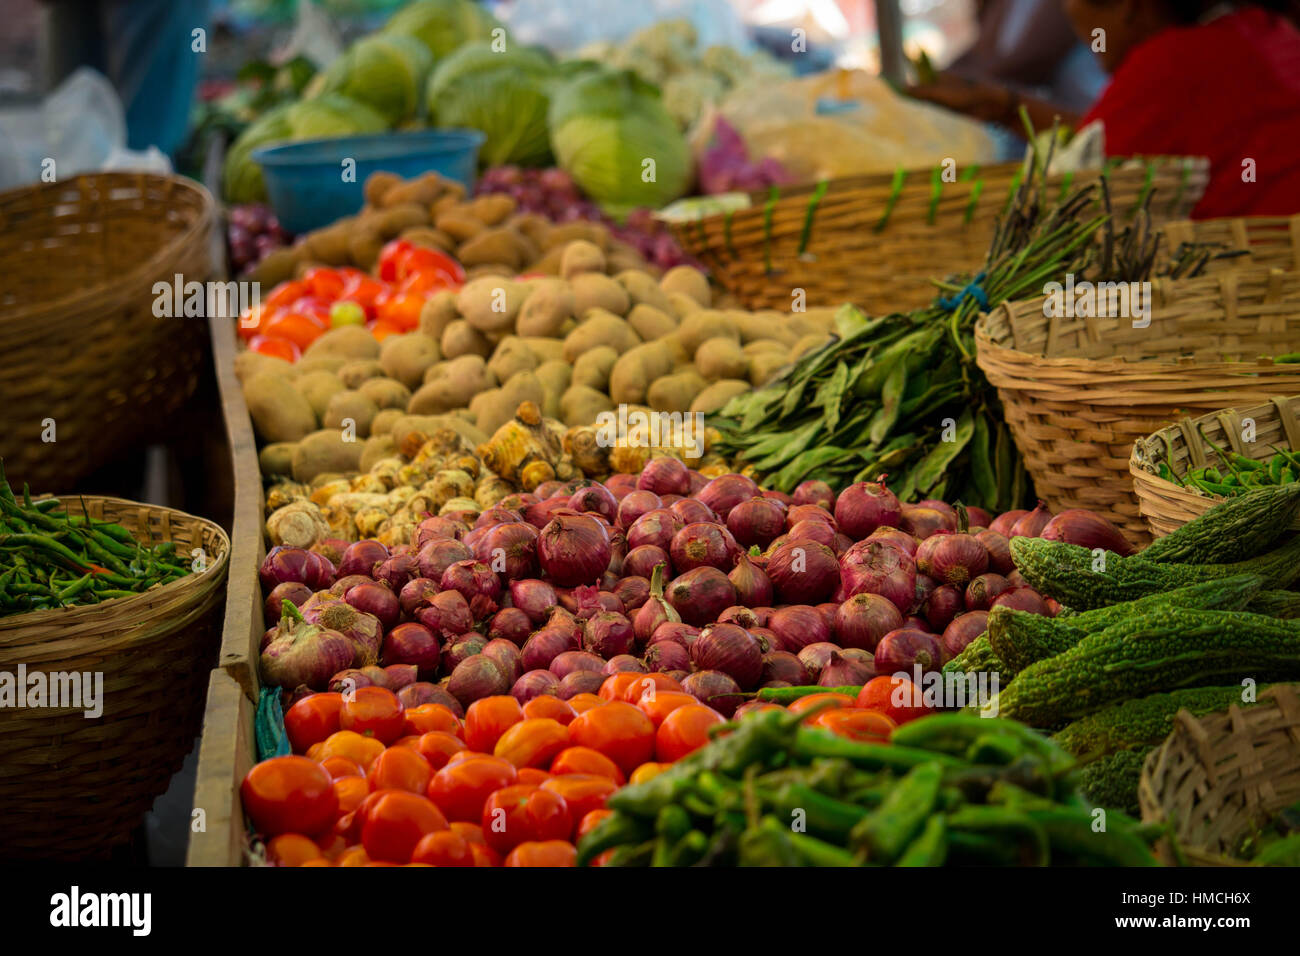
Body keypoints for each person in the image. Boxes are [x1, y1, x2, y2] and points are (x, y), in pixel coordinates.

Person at [908, 1, 1300, 217]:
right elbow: (1103, 143)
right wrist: (1003, 107)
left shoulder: (1168, 63)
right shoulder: (1260, 28)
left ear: (1128, 7)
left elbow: (1082, 178)